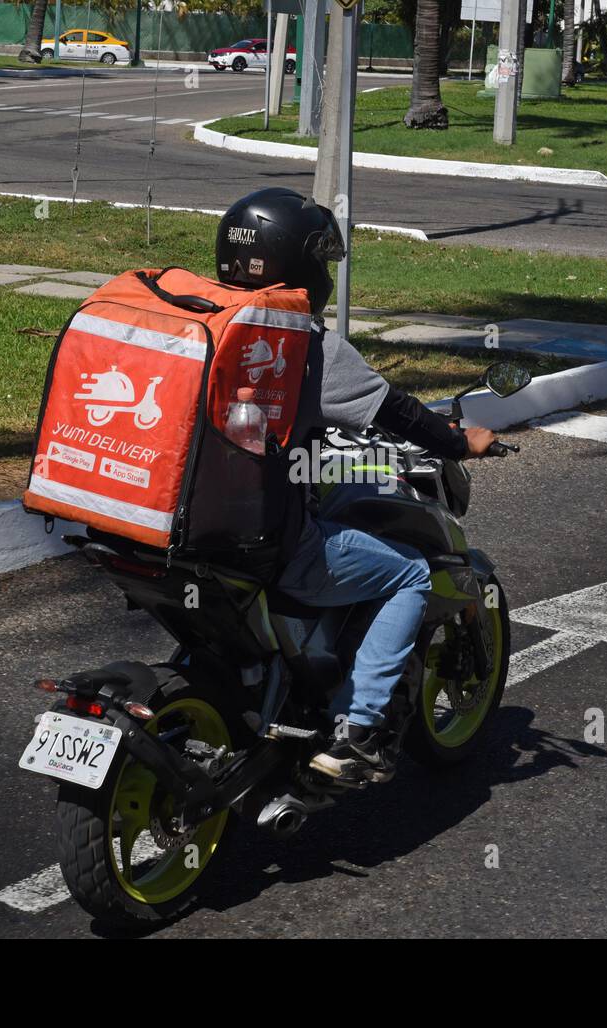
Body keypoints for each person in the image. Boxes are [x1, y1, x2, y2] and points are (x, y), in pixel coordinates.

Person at [215, 188, 498, 787]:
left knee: (333, 495)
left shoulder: (204, 323)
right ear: (300, 265)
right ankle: (358, 731)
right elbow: (391, 409)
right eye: (320, 260)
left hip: (179, 532)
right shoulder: (301, 343)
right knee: (410, 575)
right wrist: (457, 440)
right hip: (265, 542)